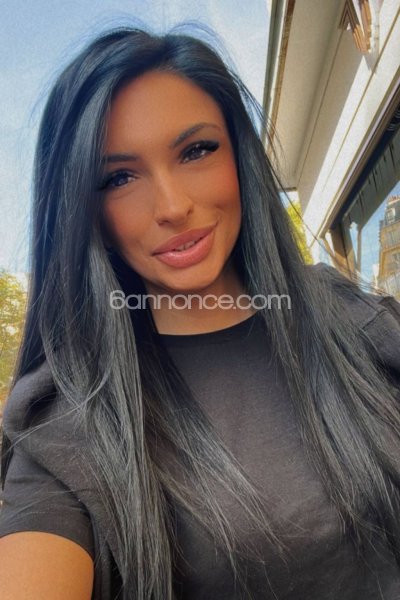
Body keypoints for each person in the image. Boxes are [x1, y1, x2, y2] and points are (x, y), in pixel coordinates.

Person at [0, 26, 400, 600]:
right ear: (87, 213)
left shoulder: (352, 320)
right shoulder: (73, 417)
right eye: (119, 178)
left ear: (239, 157)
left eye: (196, 151)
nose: (172, 206)